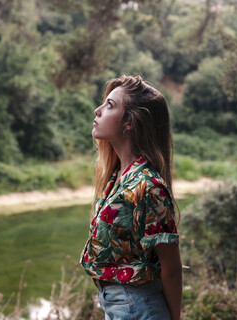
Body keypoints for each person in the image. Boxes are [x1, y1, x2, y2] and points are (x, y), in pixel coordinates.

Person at [80, 75, 182, 320]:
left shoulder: (148, 185)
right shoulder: (118, 177)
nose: (98, 110)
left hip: (139, 309)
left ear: (130, 123)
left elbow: (171, 267)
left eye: (110, 106)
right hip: (118, 306)